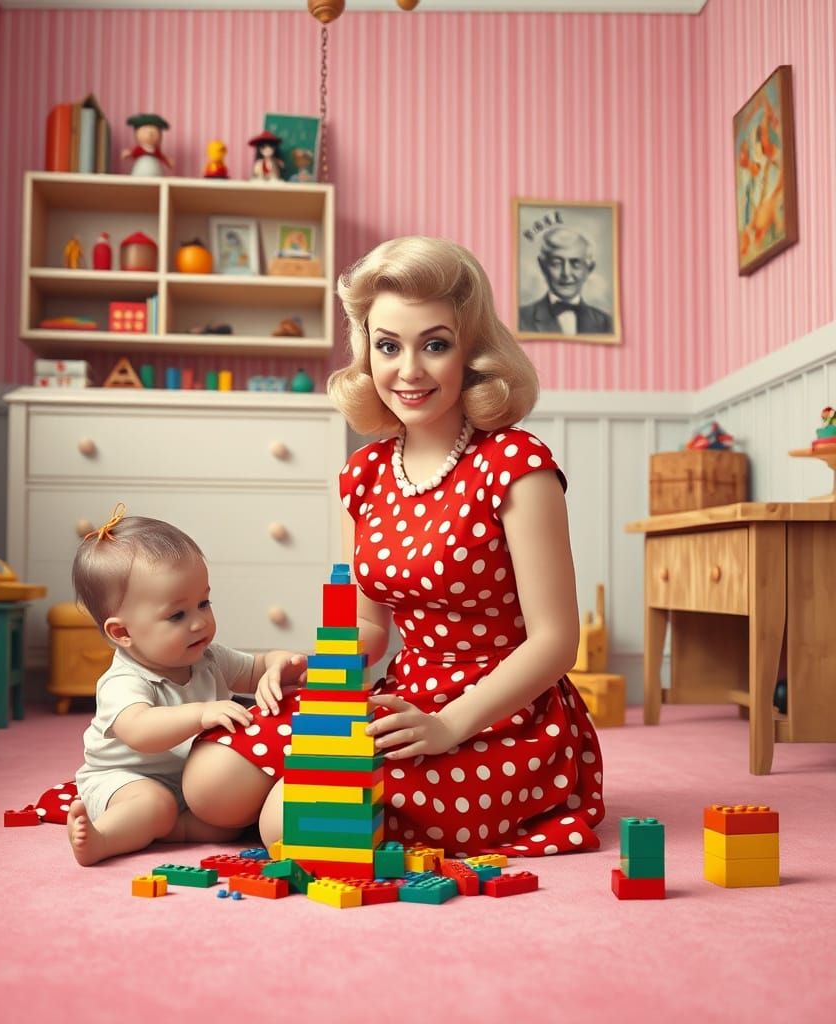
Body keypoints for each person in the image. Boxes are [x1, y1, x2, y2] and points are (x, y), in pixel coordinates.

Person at [185, 235, 605, 858]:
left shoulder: (517, 464)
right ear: (367, 353)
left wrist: (448, 725)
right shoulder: (365, 473)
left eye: (434, 345)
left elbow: (555, 642)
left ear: (471, 351)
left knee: (290, 821)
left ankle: (316, 807)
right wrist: (312, 665)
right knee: (211, 783)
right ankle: (311, 801)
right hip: (404, 693)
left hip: (504, 717)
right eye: (388, 346)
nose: (408, 371)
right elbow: (367, 626)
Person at [66, 506, 306, 866]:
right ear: (123, 632)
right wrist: (200, 713)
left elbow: (256, 668)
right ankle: (104, 839)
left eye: (204, 603)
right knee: (153, 805)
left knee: (228, 825)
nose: (199, 623)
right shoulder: (124, 680)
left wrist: (281, 665)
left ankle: (176, 828)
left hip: (192, 783)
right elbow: (140, 731)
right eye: (178, 615)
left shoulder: (208, 658)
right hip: (127, 778)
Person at [518, 227, 613, 336]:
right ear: (542, 266)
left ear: (589, 269)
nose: (566, 273)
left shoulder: (607, 323)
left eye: (575, 264)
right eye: (556, 263)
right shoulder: (521, 319)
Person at [122, 113, 172, 177]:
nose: (150, 134)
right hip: (140, 172)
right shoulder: (139, 149)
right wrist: (127, 153)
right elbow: (132, 153)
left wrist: (168, 162)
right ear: (137, 134)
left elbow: (162, 157)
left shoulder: (156, 151)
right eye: (145, 130)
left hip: (156, 172)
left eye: (154, 132)